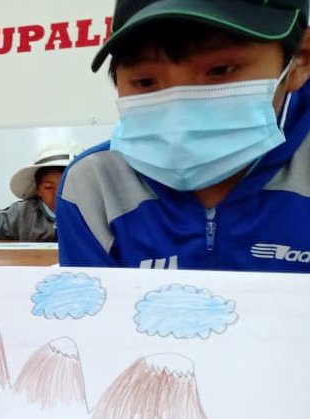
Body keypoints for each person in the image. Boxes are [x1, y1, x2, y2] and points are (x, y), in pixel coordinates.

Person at [56, 0, 310, 271]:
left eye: (220, 70)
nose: (178, 111)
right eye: (145, 82)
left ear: (300, 59)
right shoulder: (95, 185)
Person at [0, 143, 79, 243]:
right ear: (38, 190)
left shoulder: (91, 211)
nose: (57, 193)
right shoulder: (23, 213)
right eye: (48, 187)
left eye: (65, 185)